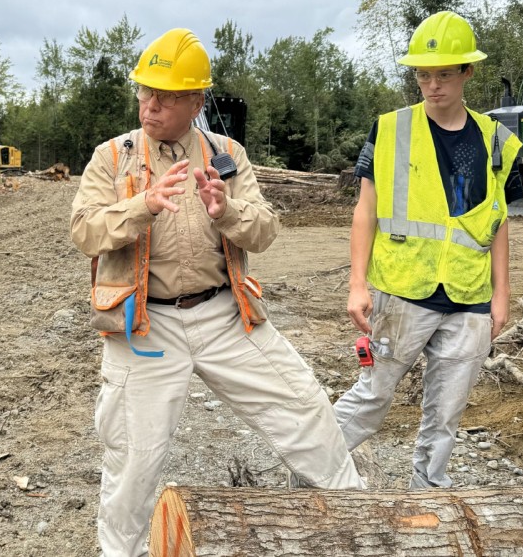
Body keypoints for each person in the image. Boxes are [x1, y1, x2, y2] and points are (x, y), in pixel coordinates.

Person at [71, 28, 365, 557]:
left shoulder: (227, 154)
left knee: (305, 407)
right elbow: (84, 231)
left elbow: (265, 232)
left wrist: (225, 210)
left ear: (196, 101)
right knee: (135, 457)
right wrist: (142, 207)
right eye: (144, 91)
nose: (150, 104)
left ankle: (358, 527)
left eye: (165, 95)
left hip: (225, 316)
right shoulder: (112, 158)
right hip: (144, 326)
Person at [334, 10, 523, 489]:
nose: (432, 84)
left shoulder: (496, 141)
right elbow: (365, 210)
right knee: (372, 399)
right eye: (423, 74)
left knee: (445, 417)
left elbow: (496, 224)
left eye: (443, 74)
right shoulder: (391, 129)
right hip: (402, 292)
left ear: (467, 73)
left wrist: (501, 297)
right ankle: (312, 470)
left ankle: (429, 502)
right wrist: (358, 284)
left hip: (469, 298)